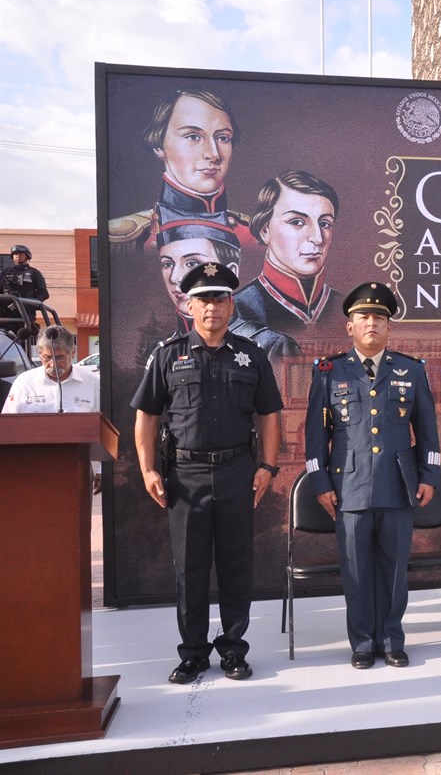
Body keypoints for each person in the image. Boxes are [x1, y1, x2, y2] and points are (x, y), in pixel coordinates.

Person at [131, 262, 282, 683]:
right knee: (190, 568)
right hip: (184, 475)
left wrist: (267, 466)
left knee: (236, 565)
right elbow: (146, 416)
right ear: (189, 305)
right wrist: (148, 469)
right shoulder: (168, 355)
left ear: (232, 304)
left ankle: (233, 650)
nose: (211, 307)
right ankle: (193, 652)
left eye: (219, 298)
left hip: (237, 472)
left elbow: (269, 415)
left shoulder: (251, 355)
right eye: (202, 299)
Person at [304, 282, 441, 668]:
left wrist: (428, 474)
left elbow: (428, 430)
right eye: (363, 317)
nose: (371, 323)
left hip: (398, 485)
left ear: (389, 326)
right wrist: (319, 482)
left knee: (395, 570)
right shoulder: (329, 372)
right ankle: (363, 642)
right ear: (349, 326)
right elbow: (315, 437)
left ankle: (392, 639)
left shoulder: (411, 370)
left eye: (379, 317)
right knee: (356, 571)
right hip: (348, 486)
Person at [108, 88, 254, 253]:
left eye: (223, 138)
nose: (214, 154)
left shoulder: (255, 234)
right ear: (158, 145)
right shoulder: (125, 237)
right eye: (193, 136)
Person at [154, 209, 298, 362]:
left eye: (192, 263)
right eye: (168, 264)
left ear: (230, 271)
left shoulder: (270, 346)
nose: (175, 277)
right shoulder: (166, 352)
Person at [236, 171, 343, 331]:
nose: (318, 238)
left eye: (325, 223)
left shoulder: (346, 308)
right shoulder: (237, 309)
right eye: (297, 222)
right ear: (265, 231)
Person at [3, 325, 102, 495]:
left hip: (76, 471)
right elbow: (7, 427)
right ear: (40, 354)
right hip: (29, 471)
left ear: (73, 353)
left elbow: (104, 428)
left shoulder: (92, 382)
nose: (53, 364)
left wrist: (102, 468)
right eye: (47, 357)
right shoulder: (24, 382)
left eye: (60, 357)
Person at [1, 245, 50, 325]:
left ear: (27, 256)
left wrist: (31, 303)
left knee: (26, 332)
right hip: (7, 312)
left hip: (26, 312)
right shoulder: (5, 272)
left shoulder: (35, 273)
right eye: (15, 254)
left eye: (21, 254)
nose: (18, 256)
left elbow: (44, 294)